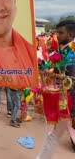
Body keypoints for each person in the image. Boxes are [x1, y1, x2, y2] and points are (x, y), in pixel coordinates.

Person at [36, 20, 75, 158]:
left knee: (52, 135)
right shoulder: (64, 51)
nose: (57, 36)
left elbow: (70, 79)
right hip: (64, 102)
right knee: (52, 135)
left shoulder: (72, 52)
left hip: (68, 103)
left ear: (70, 35)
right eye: (57, 32)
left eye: (61, 33)